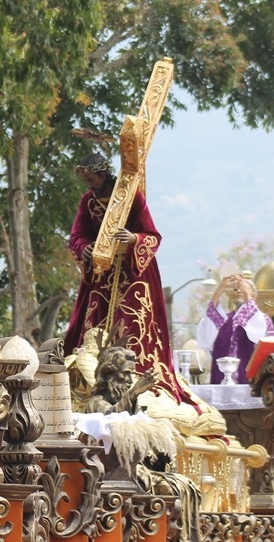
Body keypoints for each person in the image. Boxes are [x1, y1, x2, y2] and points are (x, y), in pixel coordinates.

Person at [62, 153, 190, 406]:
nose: (89, 185)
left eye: (91, 179)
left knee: (131, 322)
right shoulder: (88, 201)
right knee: (95, 325)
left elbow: (152, 235)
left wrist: (134, 239)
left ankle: (137, 377)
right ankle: (92, 381)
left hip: (132, 273)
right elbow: (77, 235)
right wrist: (84, 247)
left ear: (103, 174)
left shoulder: (133, 196)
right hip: (102, 273)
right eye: (86, 181)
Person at [196, 263, 274, 384]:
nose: (238, 290)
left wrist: (247, 295)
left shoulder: (262, 320)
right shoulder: (224, 321)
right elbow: (208, 331)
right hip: (221, 381)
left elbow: (259, 334)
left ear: (253, 296)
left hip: (249, 382)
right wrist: (217, 292)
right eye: (235, 289)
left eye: (243, 288)